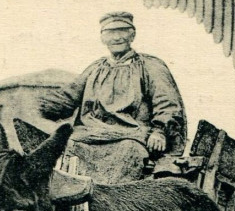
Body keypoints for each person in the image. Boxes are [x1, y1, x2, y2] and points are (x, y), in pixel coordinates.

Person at [39, 11, 187, 183]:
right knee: (67, 149)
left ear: (132, 35)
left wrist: (159, 132)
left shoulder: (150, 66)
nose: (116, 38)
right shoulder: (95, 68)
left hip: (130, 135)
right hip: (89, 134)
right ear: (102, 38)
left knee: (128, 151)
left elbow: (167, 103)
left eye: (122, 31)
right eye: (110, 33)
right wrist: (41, 105)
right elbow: (68, 96)